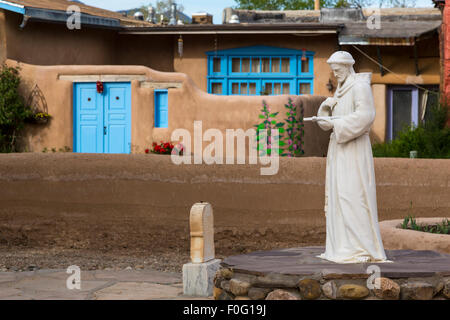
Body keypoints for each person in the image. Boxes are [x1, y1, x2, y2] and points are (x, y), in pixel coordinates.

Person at [314, 51, 390, 263]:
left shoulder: (359, 86)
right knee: (339, 195)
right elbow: (328, 122)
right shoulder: (340, 89)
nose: (336, 75)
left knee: (352, 195)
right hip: (339, 148)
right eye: (334, 71)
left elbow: (366, 116)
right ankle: (342, 246)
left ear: (348, 67)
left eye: (338, 70)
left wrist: (337, 124)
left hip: (354, 149)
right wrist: (324, 110)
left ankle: (360, 247)